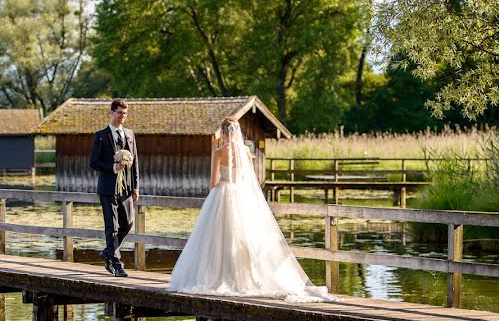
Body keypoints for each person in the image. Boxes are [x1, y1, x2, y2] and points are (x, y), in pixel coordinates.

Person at [168, 117, 336, 302]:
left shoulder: (218, 152)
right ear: (237, 132)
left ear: (223, 133)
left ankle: (222, 276)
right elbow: (250, 178)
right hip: (242, 195)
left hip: (222, 195)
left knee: (218, 238)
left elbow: (214, 182)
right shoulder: (246, 151)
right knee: (246, 238)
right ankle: (247, 277)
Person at [90, 98, 140, 278]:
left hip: (126, 188)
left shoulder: (129, 134)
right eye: (119, 113)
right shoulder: (101, 136)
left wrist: (135, 187)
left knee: (128, 223)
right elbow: (93, 162)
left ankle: (108, 252)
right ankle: (117, 264)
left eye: (124, 114)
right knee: (112, 226)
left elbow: (135, 163)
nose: (122, 117)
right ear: (111, 113)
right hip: (107, 188)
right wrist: (113, 167)